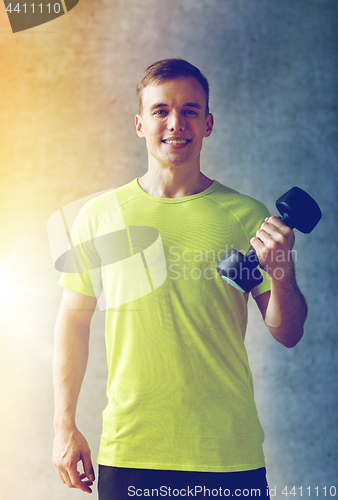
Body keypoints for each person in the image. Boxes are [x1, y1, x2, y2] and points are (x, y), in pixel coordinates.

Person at [52, 59, 307, 499]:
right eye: (161, 111)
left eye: (190, 110)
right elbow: (73, 321)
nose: (176, 123)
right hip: (131, 453)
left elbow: (287, 332)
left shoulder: (245, 216)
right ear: (139, 123)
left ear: (208, 124)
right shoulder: (100, 217)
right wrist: (64, 426)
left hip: (227, 453)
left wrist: (281, 269)